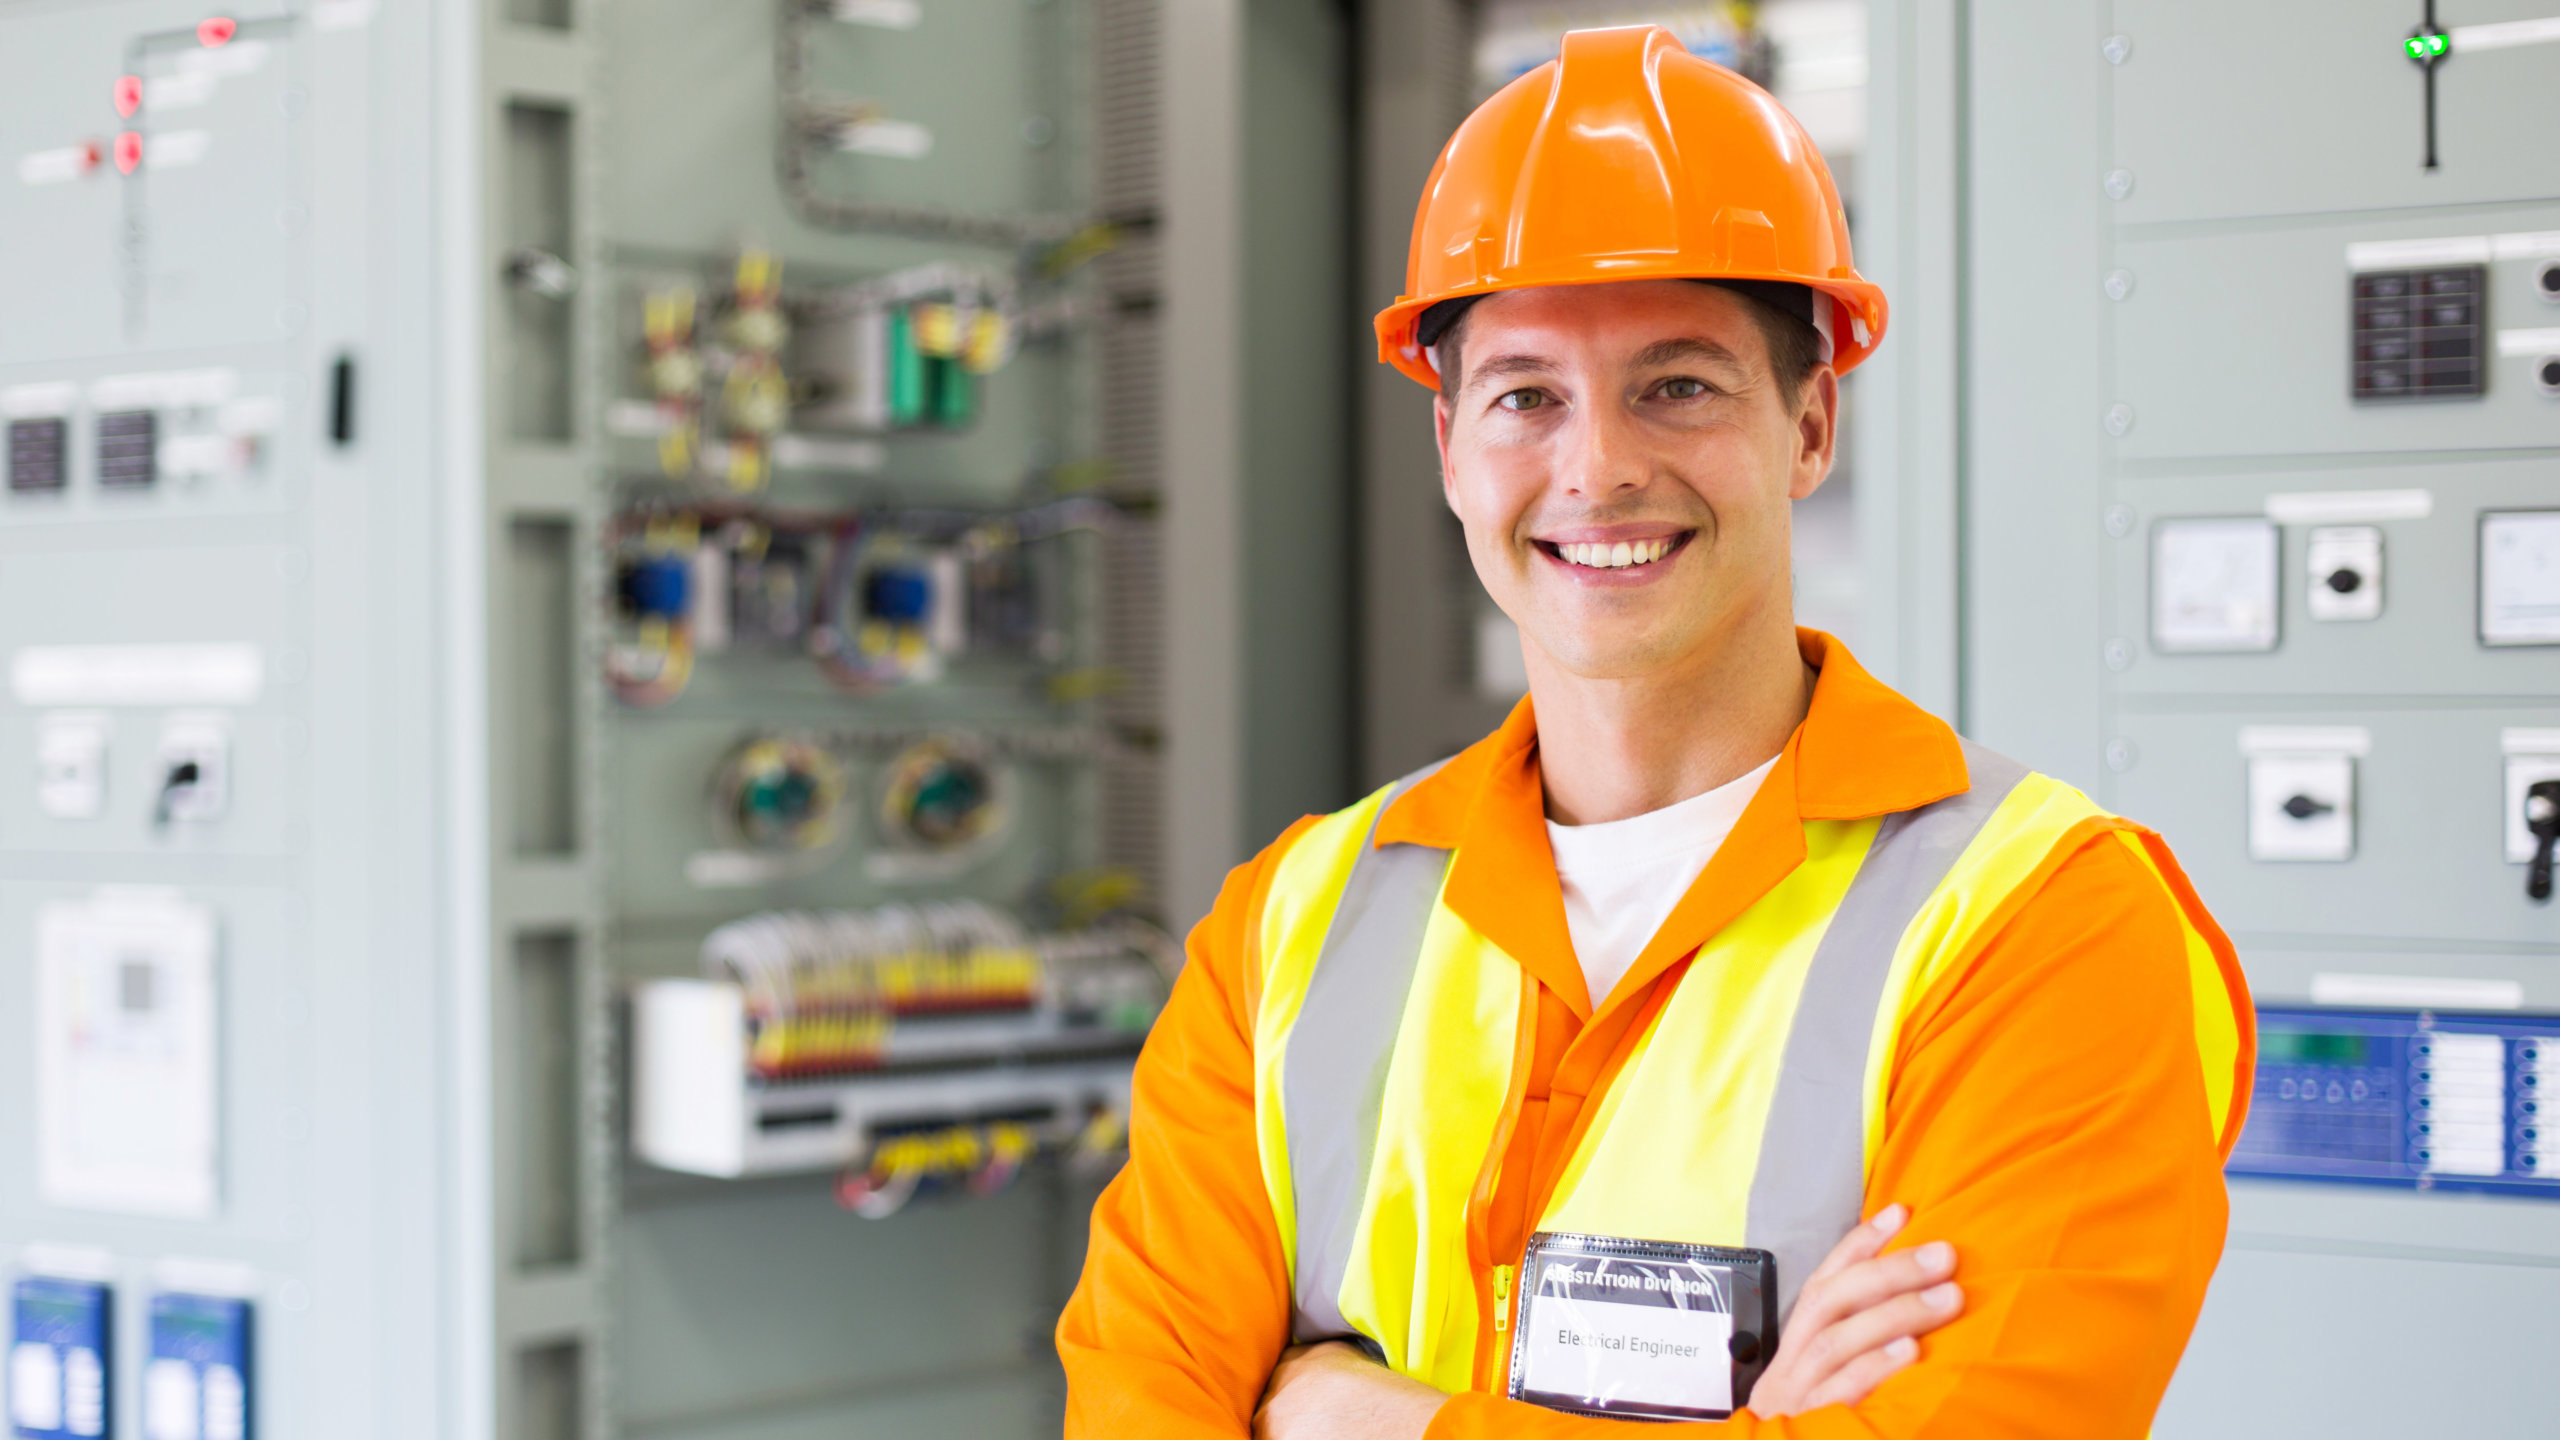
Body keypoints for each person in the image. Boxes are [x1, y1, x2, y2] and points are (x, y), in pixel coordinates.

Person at [1059, 24, 2253, 1439]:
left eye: (1678, 385)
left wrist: (1358, 1413)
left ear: (1810, 427)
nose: (1600, 467)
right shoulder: (1291, 924)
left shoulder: (2044, 924)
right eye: (1524, 397)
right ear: (1450, 451)